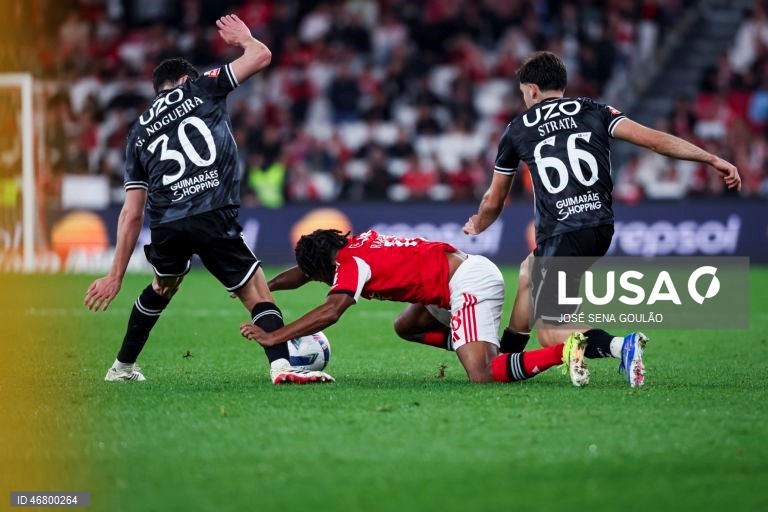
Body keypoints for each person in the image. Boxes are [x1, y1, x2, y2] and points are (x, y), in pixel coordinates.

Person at [464, 51, 742, 387]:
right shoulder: (594, 110)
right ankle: (507, 361)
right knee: (527, 273)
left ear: (533, 89)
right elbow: (654, 141)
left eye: (524, 94)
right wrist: (711, 158)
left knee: (551, 334)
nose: (525, 100)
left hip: (563, 232)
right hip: (600, 227)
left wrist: (480, 222)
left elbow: (495, 200)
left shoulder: (517, 129)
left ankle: (619, 345)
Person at [83, 15, 333, 385]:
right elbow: (261, 56)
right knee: (256, 291)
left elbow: (132, 212)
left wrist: (115, 275)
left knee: (162, 287)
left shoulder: (137, 133)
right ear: (184, 79)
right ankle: (282, 366)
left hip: (167, 223)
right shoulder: (200, 88)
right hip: (211, 211)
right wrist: (245, 39)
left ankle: (121, 368)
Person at [240, 229, 591, 387]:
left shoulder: (351, 264)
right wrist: (262, 287)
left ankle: (563, 351)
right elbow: (302, 274)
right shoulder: (353, 245)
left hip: (469, 282)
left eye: (317, 276)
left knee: (482, 374)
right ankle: (475, 341)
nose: (317, 280)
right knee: (406, 326)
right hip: (446, 289)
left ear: (323, 267)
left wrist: (276, 337)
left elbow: (331, 311)